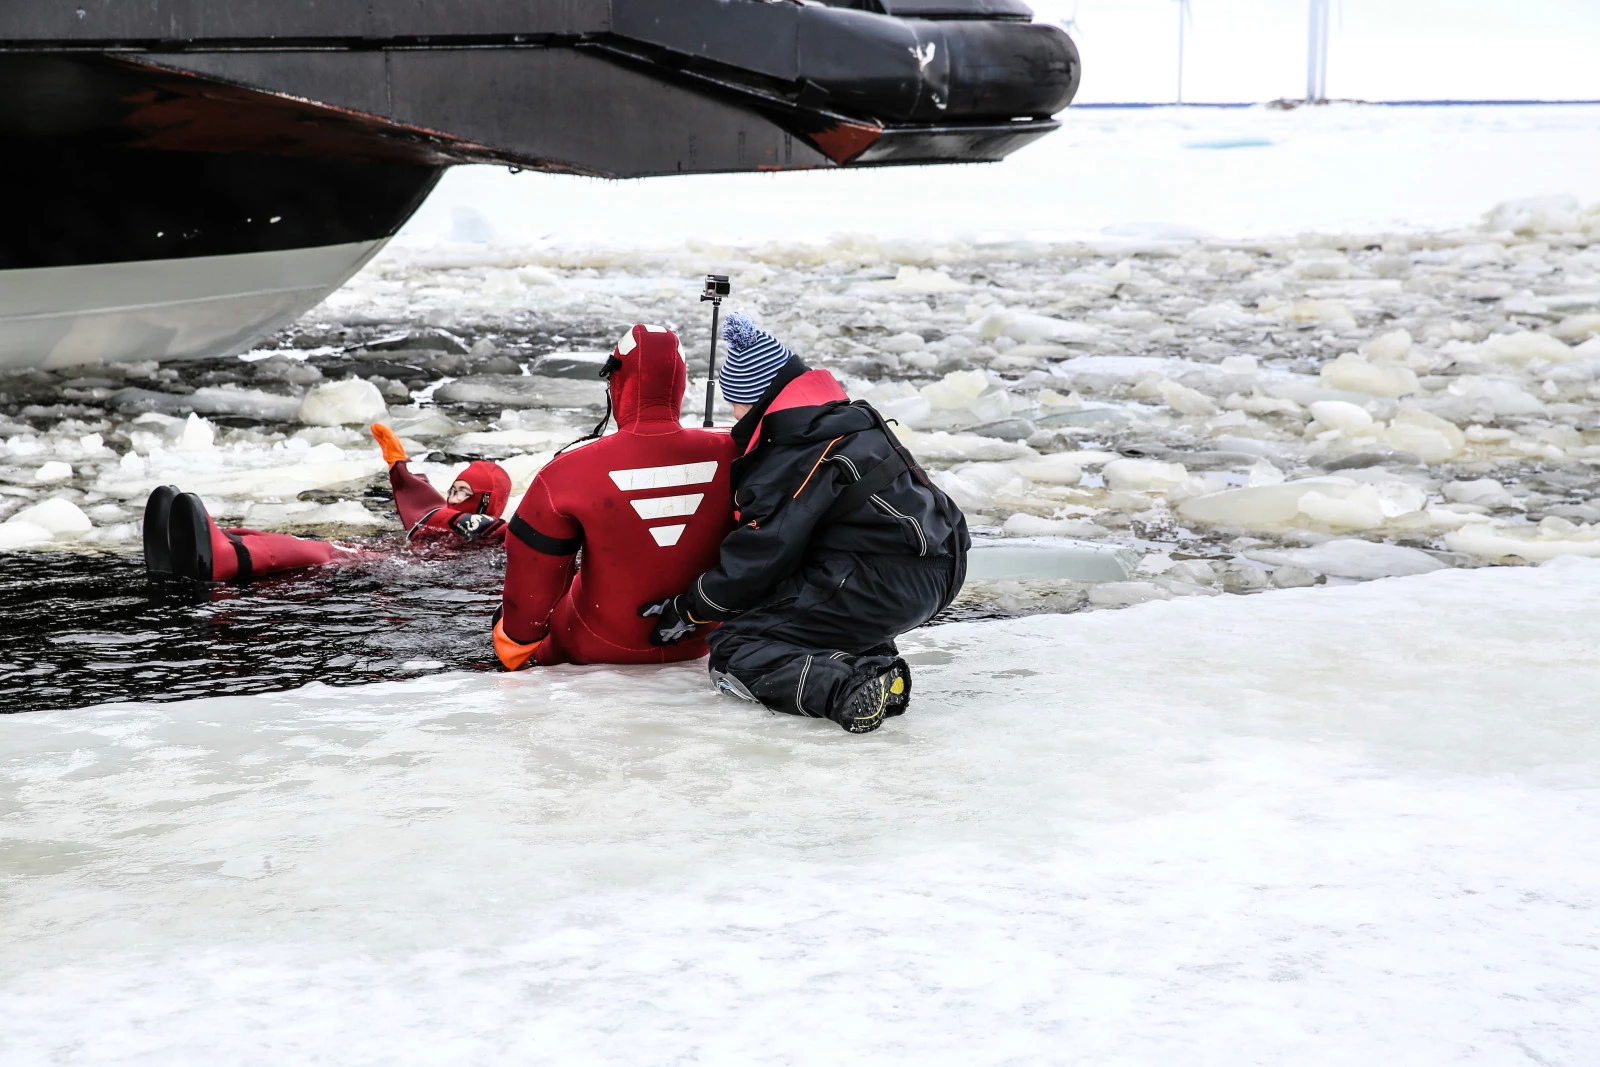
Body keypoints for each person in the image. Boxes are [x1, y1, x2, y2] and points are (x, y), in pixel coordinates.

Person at [639, 312, 969, 734]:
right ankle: (878, 671)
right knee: (804, 614)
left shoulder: (793, 453)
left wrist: (692, 607)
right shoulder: (840, 419)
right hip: (941, 559)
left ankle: (845, 687)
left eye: (736, 404)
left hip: (885, 578)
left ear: (756, 399)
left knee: (737, 644)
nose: (734, 417)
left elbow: (763, 553)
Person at [493, 323, 738, 668]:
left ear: (617, 381)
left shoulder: (566, 473)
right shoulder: (738, 451)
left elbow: (530, 591)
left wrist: (515, 644)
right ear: (680, 385)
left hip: (594, 645)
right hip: (704, 640)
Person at [142, 425, 511, 582]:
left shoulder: (492, 537)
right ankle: (213, 544)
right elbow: (430, 508)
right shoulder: (449, 520)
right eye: (454, 488)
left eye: (464, 493)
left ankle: (222, 556)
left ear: (485, 504)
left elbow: (514, 537)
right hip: (398, 565)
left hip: (403, 574)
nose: (452, 498)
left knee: (322, 552)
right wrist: (400, 468)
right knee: (296, 542)